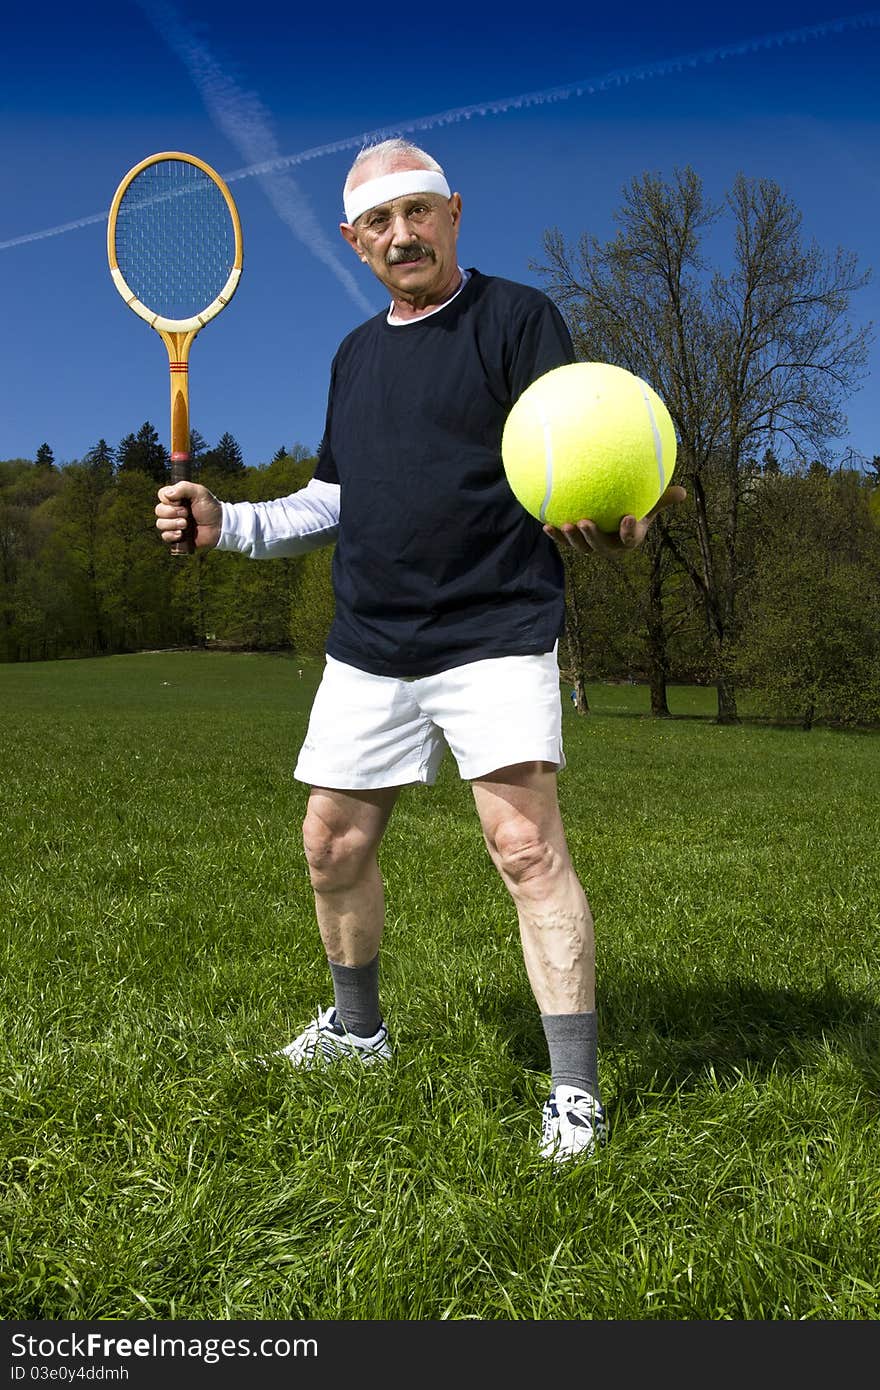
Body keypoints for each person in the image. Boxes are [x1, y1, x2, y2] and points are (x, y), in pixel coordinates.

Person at [155, 138, 685, 1163]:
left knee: (526, 848)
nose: (402, 234)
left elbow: (575, 433)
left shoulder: (519, 319)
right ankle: (358, 1031)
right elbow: (334, 501)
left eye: (418, 212)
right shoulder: (353, 357)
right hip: (370, 640)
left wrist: (622, 506)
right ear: (356, 244)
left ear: (452, 213)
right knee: (330, 845)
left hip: (493, 626)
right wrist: (231, 521)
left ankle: (573, 1093)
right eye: (379, 223)